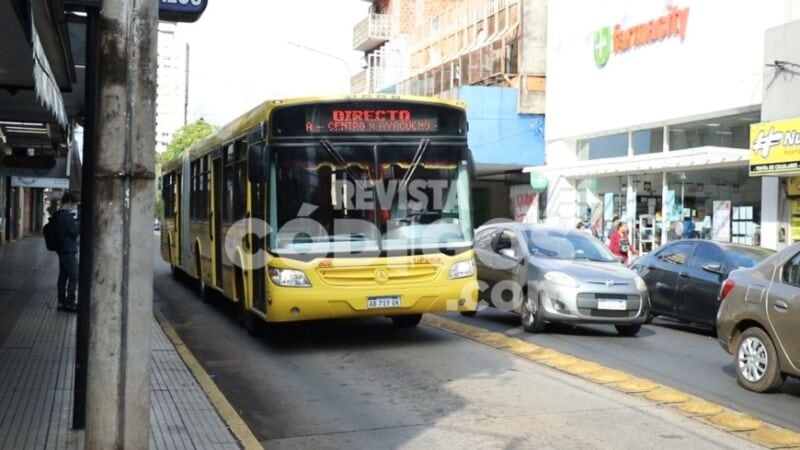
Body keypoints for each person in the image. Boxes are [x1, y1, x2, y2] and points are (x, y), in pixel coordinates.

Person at [54, 193, 80, 312]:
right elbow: (74, 232)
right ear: (69, 202)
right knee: (74, 275)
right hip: (68, 250)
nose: (73, 206)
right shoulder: (66, 216)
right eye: (73, 204)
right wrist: (79, 223)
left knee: (63, 275)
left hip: (61, 249)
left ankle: (61, 301)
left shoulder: (57, 215)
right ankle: (70, 302)